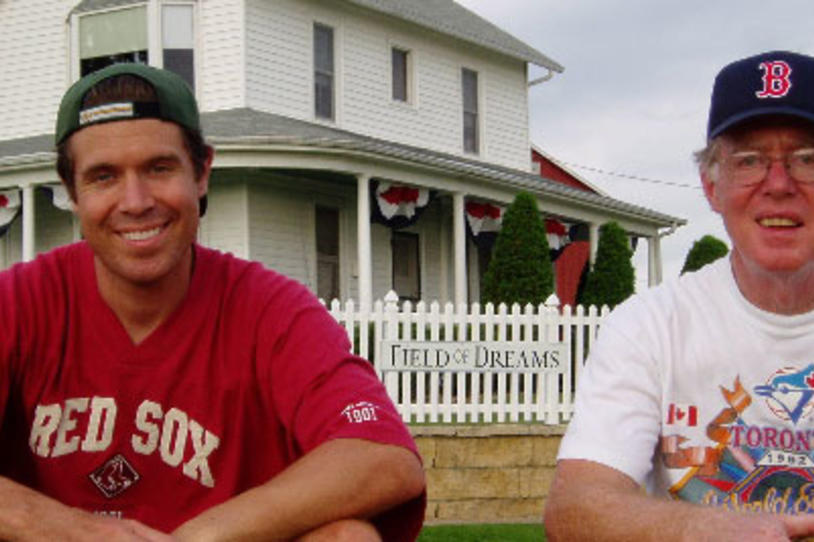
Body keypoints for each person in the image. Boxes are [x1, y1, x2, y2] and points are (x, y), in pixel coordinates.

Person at [0, 63, 425, 541]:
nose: (136, 201)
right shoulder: (19, 302)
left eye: (159, 168)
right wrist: (82, 533)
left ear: (202, 173)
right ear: (72, 192)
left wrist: (196, 539)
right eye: (104, 177)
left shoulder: (270, 311)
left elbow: (383, 456)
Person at [544, 50, 814, 541]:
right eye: (749, 161)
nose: (779, 185)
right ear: (712, 186)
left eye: (807, 159)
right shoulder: (650, 325)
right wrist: (701, 529)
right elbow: (575, 509)